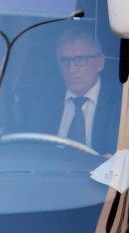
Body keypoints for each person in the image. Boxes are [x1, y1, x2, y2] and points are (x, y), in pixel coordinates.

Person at [39, 23, 120, 155]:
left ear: (100, 63)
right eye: (64, 60)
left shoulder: (120, 105)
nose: (71, 69)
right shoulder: (43, 103)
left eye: (81, 59)